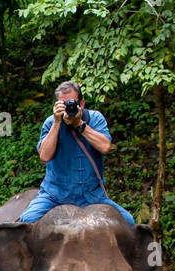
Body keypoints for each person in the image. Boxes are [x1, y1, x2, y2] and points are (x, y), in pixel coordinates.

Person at [19, 80, 135, 227]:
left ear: (82, 103)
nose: (69, 108)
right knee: (27, 221)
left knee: (128, 222)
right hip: (55, 195)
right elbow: (44, 156)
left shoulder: (95, 118)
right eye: (63, 104)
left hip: (93, 196)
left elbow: (105, 146)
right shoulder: (50, 122)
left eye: (72, 103)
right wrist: (56, 122)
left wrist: (79, 124)